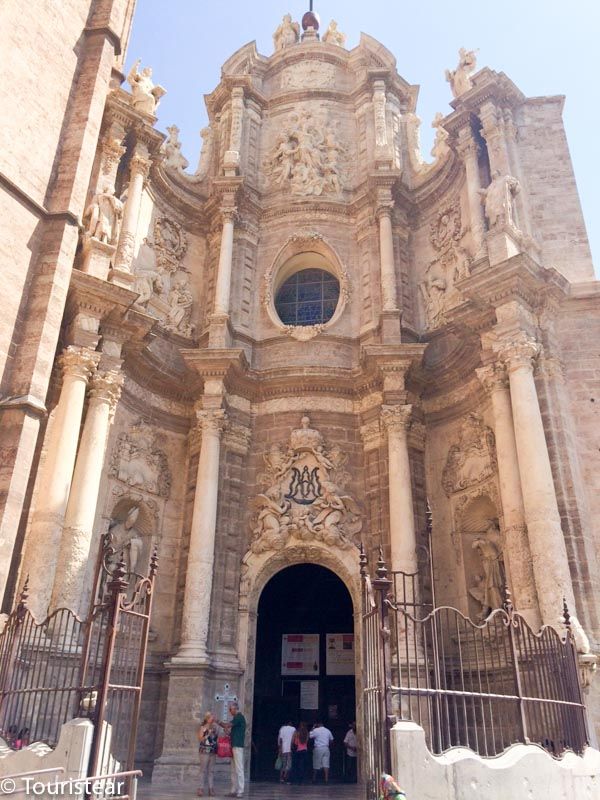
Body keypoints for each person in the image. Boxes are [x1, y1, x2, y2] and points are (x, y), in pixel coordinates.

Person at [220, 702, 246, 798]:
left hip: (238, 746)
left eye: (230, 710)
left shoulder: (239, 717)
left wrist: (217, 721)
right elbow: (231, 731)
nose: (230, 712)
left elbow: (227, 725)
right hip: (233, 746)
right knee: (233, 769)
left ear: (235, 709)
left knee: (239, 768)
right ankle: (233, 790)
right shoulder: (236, 719)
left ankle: (240, 790)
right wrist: (227, 732)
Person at [196, 711, 218, 796]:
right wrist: (207, 734)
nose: (213, 719)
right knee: (203, 770)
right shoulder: (202, 728)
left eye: (213, 717)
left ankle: (211, 789)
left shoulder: (215, 728)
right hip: (204, 751)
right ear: (207, 718)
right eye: (211, 717)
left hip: (213, 751)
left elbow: (218, 738)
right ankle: (200, 788)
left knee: (211, 771)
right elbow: (200, 739)